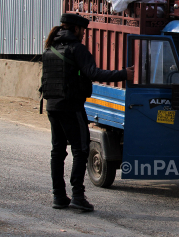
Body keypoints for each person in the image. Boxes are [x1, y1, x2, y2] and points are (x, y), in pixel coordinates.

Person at [41, 13, 134, 211]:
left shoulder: (50, 48)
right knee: (81, 150)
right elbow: (94, 73)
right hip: (71, 107)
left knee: (57, 151)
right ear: (75, 29)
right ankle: (77, 196)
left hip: (52, 107)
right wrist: (124, 74)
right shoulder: (77, 49)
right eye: (83, 30)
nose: (83, 34)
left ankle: (58, 196)